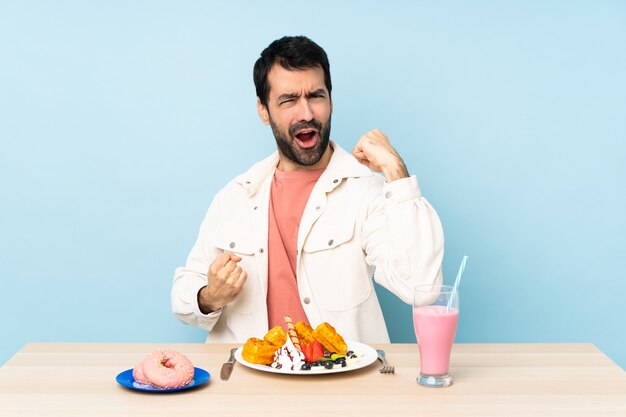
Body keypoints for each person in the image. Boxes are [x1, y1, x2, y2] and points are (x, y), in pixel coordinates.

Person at [171, 35, 444, 344]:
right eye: (288, 100)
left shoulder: (367, 193)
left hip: (341, 382)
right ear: (263, 110)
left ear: (330, 100)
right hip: (249, 381)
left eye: (316, 96)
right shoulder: (234, 196)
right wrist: (209, 296)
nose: (306, 114)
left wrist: (396, 170)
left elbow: (420, 287)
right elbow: (183, 295)